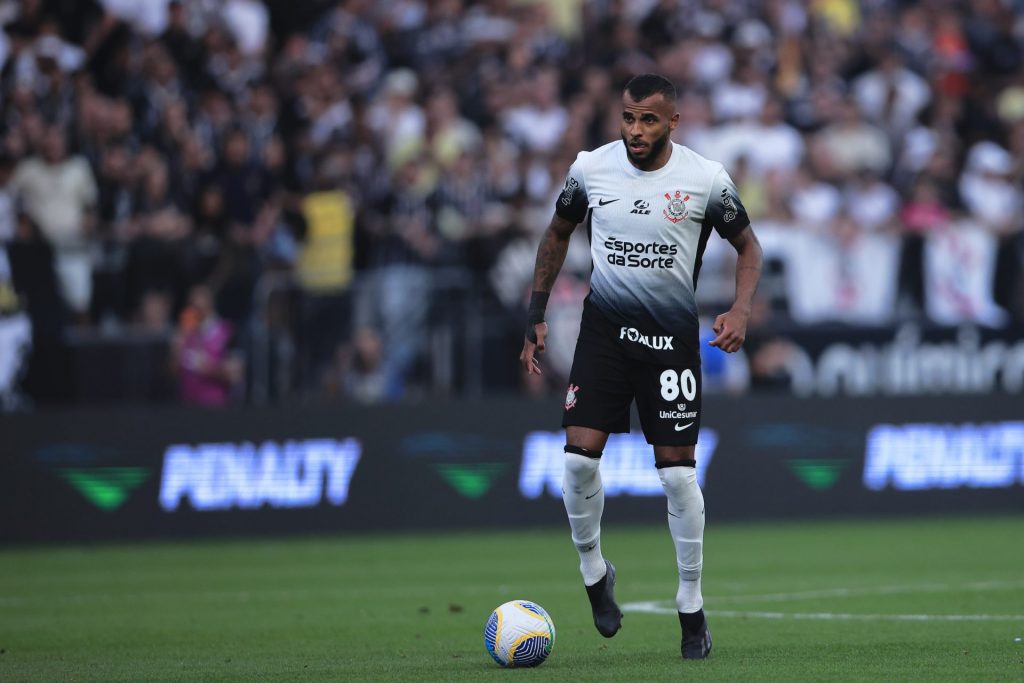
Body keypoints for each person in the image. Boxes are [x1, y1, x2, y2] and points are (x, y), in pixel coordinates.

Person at [518, 74, 762, 661]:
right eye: (628, 118)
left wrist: (740, 309)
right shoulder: (590, 168)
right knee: (577, 462)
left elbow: (749, 247)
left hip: (671, 341)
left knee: (677, 474)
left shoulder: (705, 179)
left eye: (648, 120)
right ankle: (595, 573)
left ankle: (691, 605)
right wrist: (535, 314)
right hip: (603, 336)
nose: (635, 130)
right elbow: (556, 234)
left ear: (673, 122)